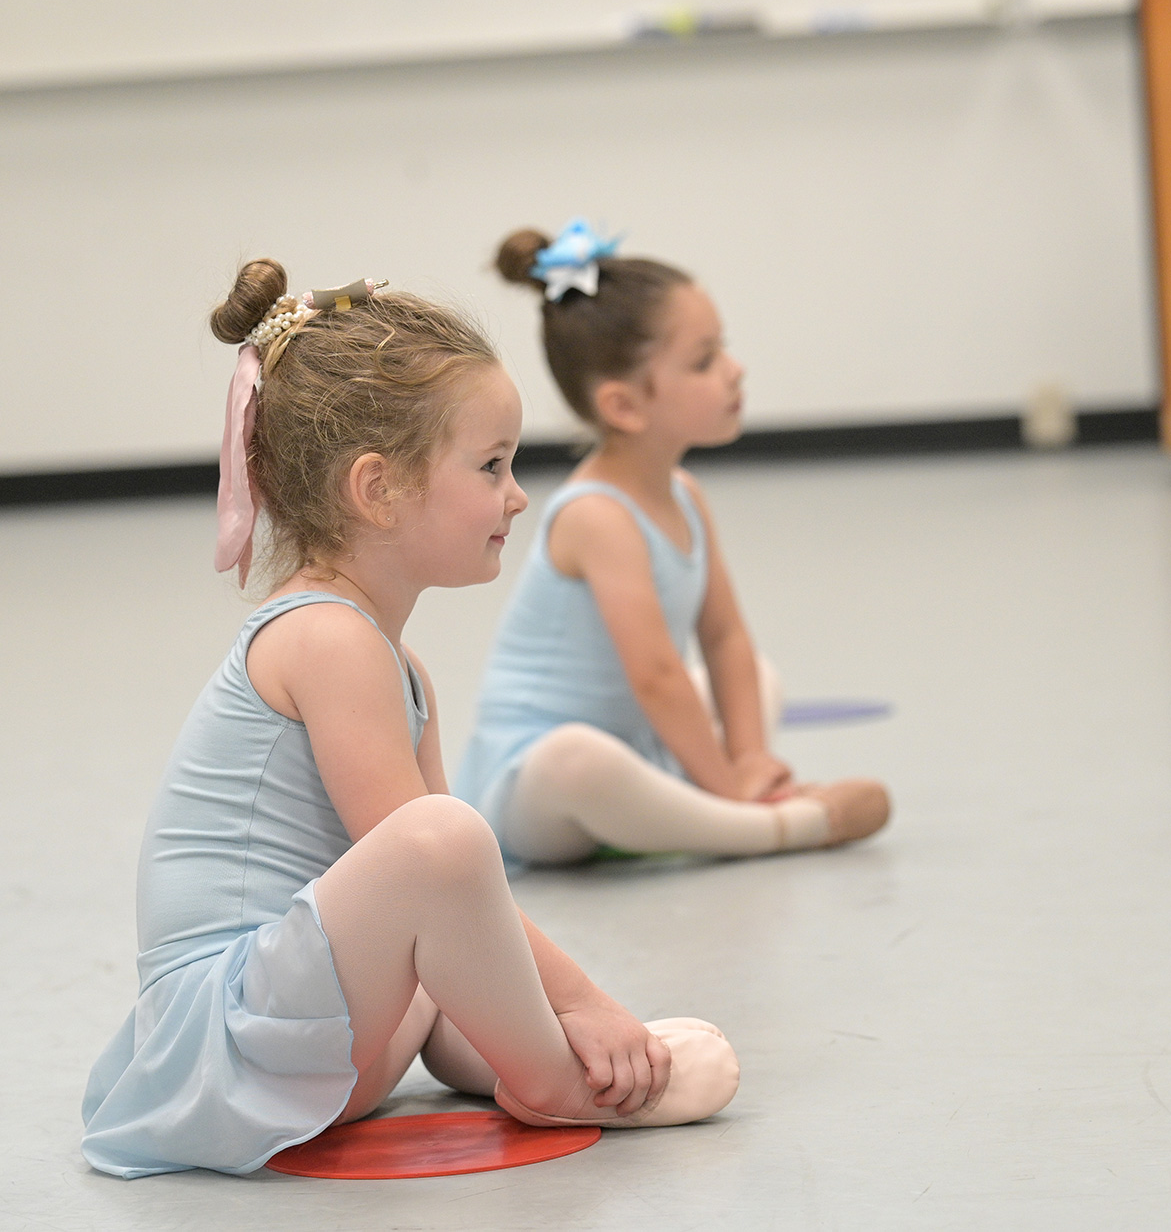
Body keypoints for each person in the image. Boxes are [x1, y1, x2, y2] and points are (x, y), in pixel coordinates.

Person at [81, 261, 739, 1179]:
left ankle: (527, 1051)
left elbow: (458, 904)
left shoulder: (397, 664)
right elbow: (431, 851)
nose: (516, 495)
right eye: (491, 466)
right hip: (227, 1041)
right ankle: (554, 1075)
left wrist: (581, 1006)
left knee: (449, 879)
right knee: (440, 835)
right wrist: (585, 998)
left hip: (312, 1034)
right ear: (377, 489)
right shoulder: (325, 639)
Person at [455, 222, 891, 864]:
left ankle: (693, 807)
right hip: (535, 787)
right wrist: (730, 788)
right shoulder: (596, 515)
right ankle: (769, 826)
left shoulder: (684, 494)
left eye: (724, 350)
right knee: (579, 762)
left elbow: (725, 639)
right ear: (625, 406)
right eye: (705, 360)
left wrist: (749, 757)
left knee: (759, 676)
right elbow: (657, 678)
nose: (735, 370)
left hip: (638, 751)